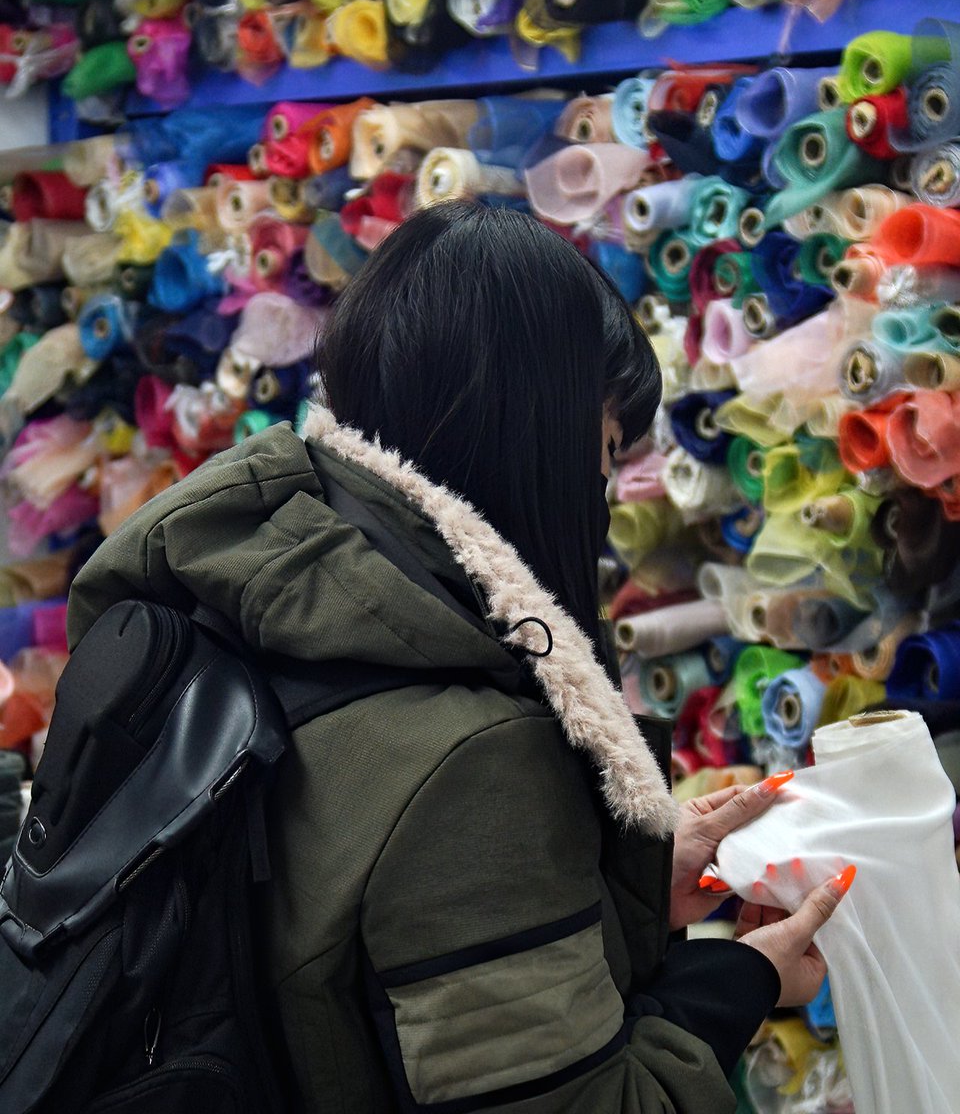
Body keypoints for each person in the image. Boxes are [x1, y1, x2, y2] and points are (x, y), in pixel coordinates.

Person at [68, 201, 851, 1113]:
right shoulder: (471, 761)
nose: (604, 487)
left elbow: (362, 955)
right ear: (535, 439)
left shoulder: (263, 617)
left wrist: (627, 886)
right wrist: (741, 979)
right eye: (603, 447)